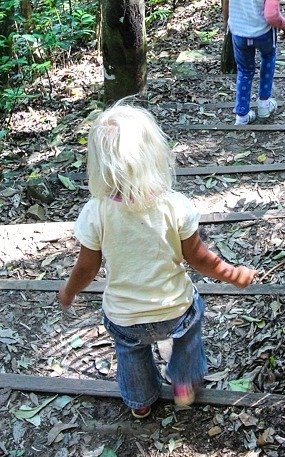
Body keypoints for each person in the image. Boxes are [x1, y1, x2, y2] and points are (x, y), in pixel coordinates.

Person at [58, 102, 257, 419]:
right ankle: (183, 385)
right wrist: (233, 275)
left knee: (131, 352)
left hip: (124, 317)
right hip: (174, 310)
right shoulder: (174, 205)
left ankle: (139, 400)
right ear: (154, 155)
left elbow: (86, 268)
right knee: (190, 328)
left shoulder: (95, 212)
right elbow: (200, 259)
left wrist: (68, 292)